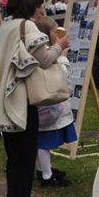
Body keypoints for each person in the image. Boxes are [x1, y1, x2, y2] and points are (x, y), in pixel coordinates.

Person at [0, 0, 70, 197]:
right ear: (29, 6)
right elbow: (44, 60)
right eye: (38, 5)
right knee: (24, 158)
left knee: (15, 156)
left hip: (7, 101)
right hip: (20, 101)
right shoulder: (27, 26)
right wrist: (59, 46)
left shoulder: (8, 26)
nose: (42, 9)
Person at [33, 17, 75, 187]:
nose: (58, 35)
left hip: (48, 105)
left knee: (43, 139)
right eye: (54, 32)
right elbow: (60, 77)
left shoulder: (44, 51)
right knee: (45, 140)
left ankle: (44, 169)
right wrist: (63, 57)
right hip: (47, 106)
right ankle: (46, 176)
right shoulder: (48, 54)